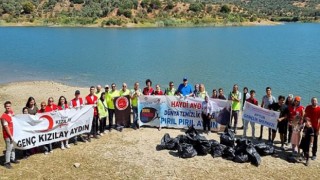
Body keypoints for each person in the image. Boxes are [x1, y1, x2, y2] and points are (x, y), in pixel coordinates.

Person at [1, 101, 19, 169]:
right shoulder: (3, 117)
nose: (8, 107)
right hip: (8, 135)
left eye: (9, 106)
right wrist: (10, 136)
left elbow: (14, 118)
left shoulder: (11, 112)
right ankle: (7, 162)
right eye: (7, 106)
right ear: (4, 107)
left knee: (13, 147)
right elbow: (6, 127)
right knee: (9, 148)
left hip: (13, 133)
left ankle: (12, 158)